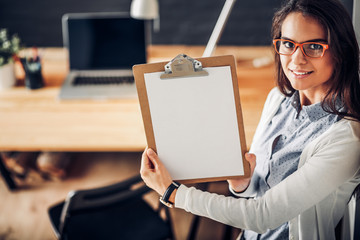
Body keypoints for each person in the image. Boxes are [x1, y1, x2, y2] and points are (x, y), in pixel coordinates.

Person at [140, 0, 360, 239]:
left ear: (341, 51)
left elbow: (262, 215)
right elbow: (259, 192)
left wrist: (172, 192)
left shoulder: (346, 139)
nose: (296, 59)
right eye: (288, 44)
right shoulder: (278, 100)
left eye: (314, 47)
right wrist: (242, 184)